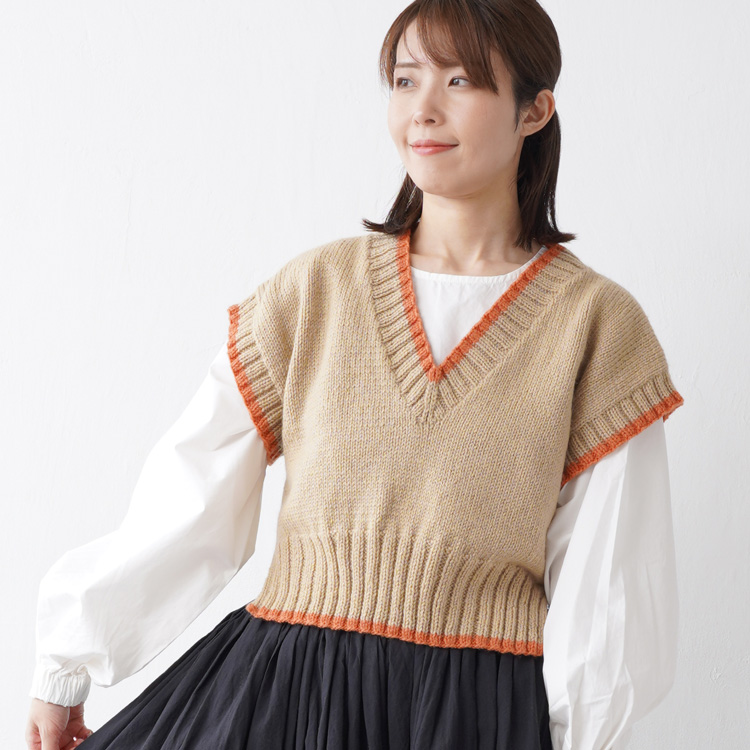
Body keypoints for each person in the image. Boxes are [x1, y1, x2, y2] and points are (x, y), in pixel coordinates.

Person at [25, 1, 684, 749]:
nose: (423, 109)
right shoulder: (316, 293)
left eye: (460, 81)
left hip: (472, 711)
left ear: (533, 110)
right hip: (285, 697)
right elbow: (192, 494)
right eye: (405, 80)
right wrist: (67, 660)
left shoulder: (596, 327)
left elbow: (608, 583)